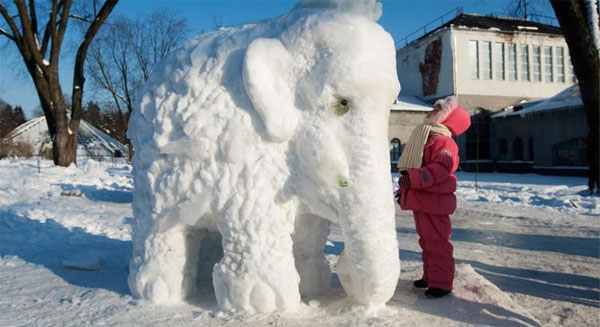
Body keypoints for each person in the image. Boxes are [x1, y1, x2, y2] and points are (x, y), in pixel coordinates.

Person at [396, 95, 471, 298]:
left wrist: (411, 179)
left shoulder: (444, 142)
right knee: (427, 242)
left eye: (436, 110)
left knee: (438, 242)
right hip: (424, 200)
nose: (430, 112)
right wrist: (405, 190)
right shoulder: (427, 137)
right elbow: (419, 168)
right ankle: (431, 277)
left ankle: (442, 283)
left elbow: (439, 170)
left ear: (445, 119)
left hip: (435, 202)